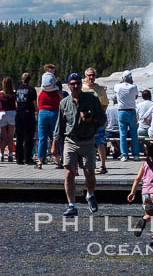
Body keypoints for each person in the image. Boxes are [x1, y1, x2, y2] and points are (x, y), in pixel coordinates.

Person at [52, 72, 106, 217]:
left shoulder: (92, 99)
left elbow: (102, 118)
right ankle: (72, 205)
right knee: (69, 173)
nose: (75, 86)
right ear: (68, 86)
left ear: (81, 85)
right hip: (70, 140)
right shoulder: (64, 103)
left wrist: (90, 120)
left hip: (88, 140)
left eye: (77, 83)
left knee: (89, 173)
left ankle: (90, 194)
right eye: (72, 83)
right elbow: (60, 125)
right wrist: (55, 144)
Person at [82, 68, 109, 175]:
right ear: (86, 76)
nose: (91, 77)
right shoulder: (82, 89)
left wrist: (100, 115)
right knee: (84, 143)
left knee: (100, 143)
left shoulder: (100, 89)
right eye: (89, 75)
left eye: (93, 75)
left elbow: (105, 104)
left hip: (97, 121)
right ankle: (85, 165)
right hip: (85, 121)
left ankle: (103, 166)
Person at [35, 72, 62, 169]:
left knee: (42, 138)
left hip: (42, 113)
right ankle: (58, 161)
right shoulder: (57, 92)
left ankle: (40, 162)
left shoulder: (40, 92)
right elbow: (62, 102)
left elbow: (38, 105)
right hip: (54, 113)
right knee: (55, 137)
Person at [114, 70, 140, 161]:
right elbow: (136, 97)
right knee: (134, 134)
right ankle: (135, 154)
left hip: (121, 111)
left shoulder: (117, 86)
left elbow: (116, 91)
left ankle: (124, 155)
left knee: (123, 134)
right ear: (131, 78)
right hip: (131, 111)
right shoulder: (133, 87)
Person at [15, 72, 37, 164]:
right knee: (28, 137)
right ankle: (28, 157)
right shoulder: (31, 89)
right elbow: (35, 104)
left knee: (19, 137)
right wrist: (36, 111)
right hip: (28, 114)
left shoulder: (18, 89)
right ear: (30, 80)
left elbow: (16, 103)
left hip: (19, 113)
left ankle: (19, 158)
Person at [0, 77, 17, 162]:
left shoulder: (0, 93)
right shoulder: (14, 93)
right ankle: (10, 154)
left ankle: (1, 154)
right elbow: (16, 104)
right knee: (10, 136)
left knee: (3, 136)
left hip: (2, 113)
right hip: (12, 113)